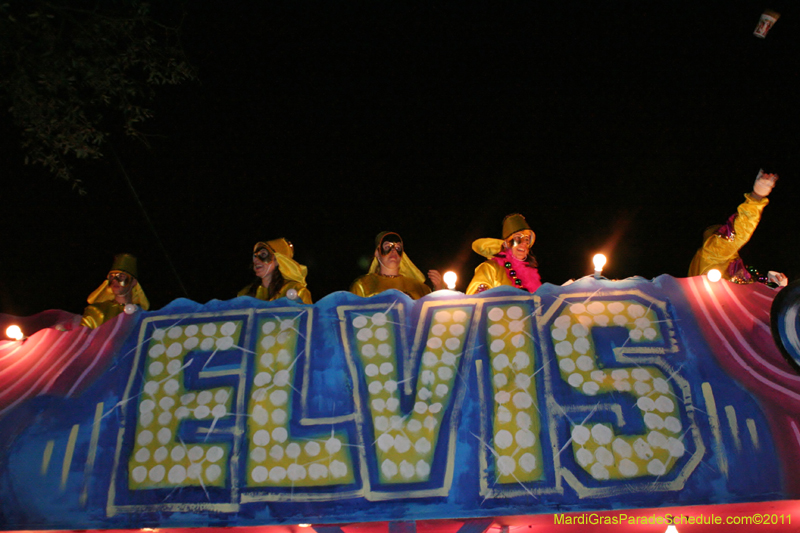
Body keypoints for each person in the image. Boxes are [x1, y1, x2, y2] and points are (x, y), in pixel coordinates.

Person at [688, 170, 787, 286]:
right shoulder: (713, 251)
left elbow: (748, 294)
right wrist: (756, 197)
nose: (725, 234)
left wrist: (773, 286)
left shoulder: (734, 265)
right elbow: (740, 230)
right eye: (724, 231)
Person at [350, 231, 443, 299]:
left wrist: (440, 291)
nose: (393, 250)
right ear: (377, 253)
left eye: (398, 247)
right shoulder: (362, 285)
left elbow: (434, 317)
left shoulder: (420, 288)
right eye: (387, 247)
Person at [466, 213, 542, 295]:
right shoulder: (490, 268)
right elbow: (475, 300)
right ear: (506, 244)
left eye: (527, 240)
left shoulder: (530, 277)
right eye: (518, 238)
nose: (523, 244)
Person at [81, 253, 150, 329]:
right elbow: (83, 337)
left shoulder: (142, 316)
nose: (115, 281)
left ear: (133, 282)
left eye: (121, 276)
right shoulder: (96, 311)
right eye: (112, 277)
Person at [238, 238, 313, 303]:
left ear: (278, 260)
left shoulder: (297, 291)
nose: (256, 260)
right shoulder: (244, 294)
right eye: (255, 256)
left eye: (263, 254)